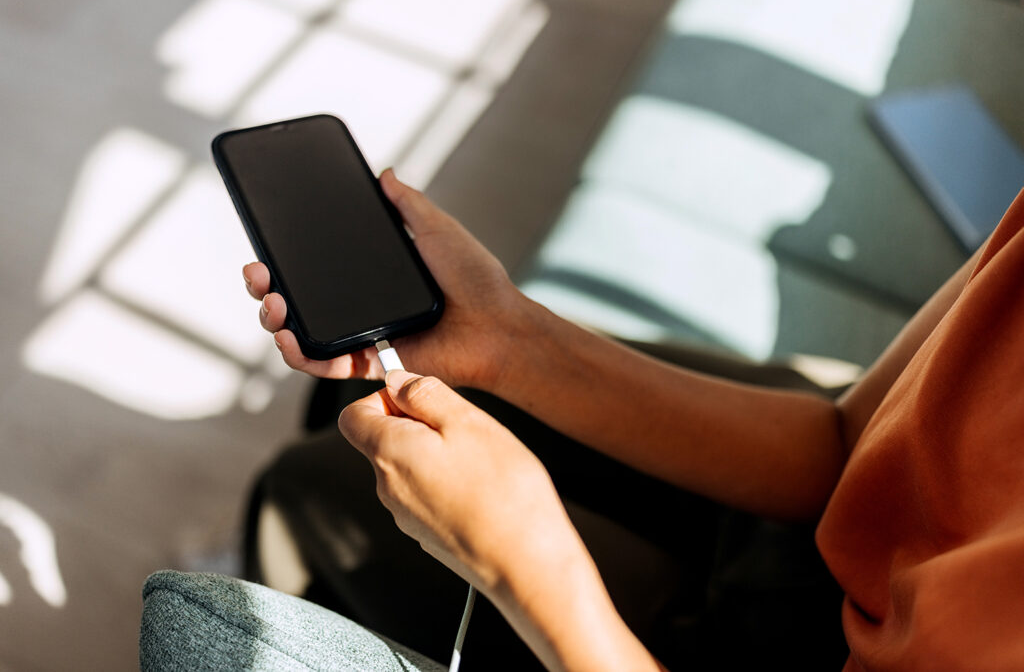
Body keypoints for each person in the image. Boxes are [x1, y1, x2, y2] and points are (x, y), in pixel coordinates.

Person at [234, 168, 1024, 670]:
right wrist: (509, 336)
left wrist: (520, 563)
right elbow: (845, 444)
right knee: (354, 392)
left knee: (313, 479)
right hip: (819, 539)